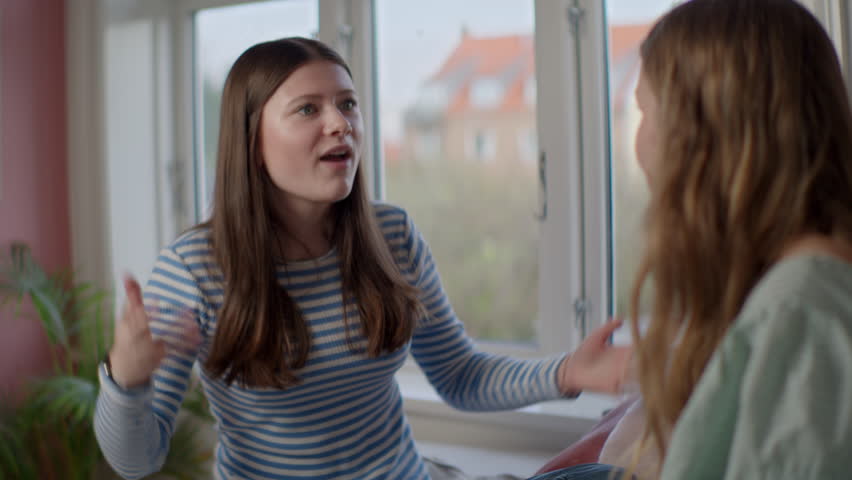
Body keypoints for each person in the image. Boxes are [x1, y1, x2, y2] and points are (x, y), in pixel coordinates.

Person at [93, 37, 632, 480]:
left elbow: (460, 376)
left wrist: (568, 372)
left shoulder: (392, 235)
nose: (339, 123)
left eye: (347, 103)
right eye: (308, 109)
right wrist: (127, 381)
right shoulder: (193, 270)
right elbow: (135, 460)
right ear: (253, 142)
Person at [530, 0, 852, 479]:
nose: (639, 148)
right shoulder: (790, 290)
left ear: (705, 131)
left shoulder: (800, 311)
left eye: (645, 112)